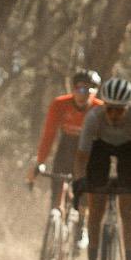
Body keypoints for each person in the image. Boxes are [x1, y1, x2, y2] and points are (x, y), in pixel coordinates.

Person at [76, 76, 131, 260]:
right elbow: (81, 156)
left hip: (130, 150)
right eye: (109, 109)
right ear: (104, 106)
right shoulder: (94, 117)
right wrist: (80, 179)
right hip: (100, 149)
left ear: (129, 107)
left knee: (128, 210)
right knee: (95, 208)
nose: (114, 115)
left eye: (120, 110)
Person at [29, 66, 99, 212]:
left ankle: (82, 217)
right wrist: (40, 161)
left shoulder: (101, 110)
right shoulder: (60, 104)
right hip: (66, 146)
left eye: (90, 90)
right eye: (81, 89)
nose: (85, 94)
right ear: (73, 89)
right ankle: (57, 211)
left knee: (86, 195)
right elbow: (49, 135)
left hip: (89, 150)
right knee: (58, 184)